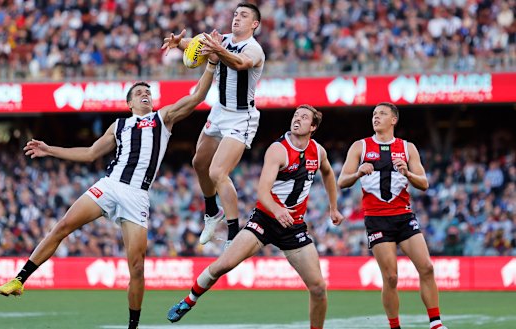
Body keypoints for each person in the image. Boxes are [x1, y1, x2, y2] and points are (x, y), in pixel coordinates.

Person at [0, 61, 217, 329]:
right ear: (130, 103)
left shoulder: (162, 118)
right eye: (139, 92)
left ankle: (132, 326)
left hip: (136, 195)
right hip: (110, 185)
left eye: (148, 91)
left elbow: (197, 97)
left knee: (136, 267)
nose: (145, 93)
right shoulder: (119, 125)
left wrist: (212, 65)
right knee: (63, 226)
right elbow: (90, 153)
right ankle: (19, 280)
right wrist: (50, 149)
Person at [167, 105, 344, 329]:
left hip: (294, 227)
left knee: (318, 288)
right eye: (296, 115)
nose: (297, 119)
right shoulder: (278, 150)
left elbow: (328, 172)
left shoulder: (318, 152)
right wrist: (278, 210)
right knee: (224, 265)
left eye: (304, 117)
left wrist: (333, 207)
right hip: (265, 220)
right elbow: (262, 191)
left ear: (313, 127)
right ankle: (188, 301)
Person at [162, 2, 265, 247]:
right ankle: (212, 212)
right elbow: (194, 46)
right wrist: (180, 43)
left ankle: (233, 235)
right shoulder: (222, 39)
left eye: (244, 15)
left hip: (241, 116)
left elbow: (239, 63)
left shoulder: (254, 49)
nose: (236, 18)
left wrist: (218, 51)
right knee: (199, 162)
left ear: (255, 24)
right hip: (219, 111)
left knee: (218, 172)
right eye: (235, 14)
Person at [337, 102, 447, 329]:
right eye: (374, 114)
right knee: (391, 278)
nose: (376, 117)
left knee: (426, 267)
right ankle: (394, 325)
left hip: (404, 216)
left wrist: (407, 172)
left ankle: (435, 323)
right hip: (377, 219)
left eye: (382, 114)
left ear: (393, 120)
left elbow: (424, 183)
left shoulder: (408, 148)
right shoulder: (360, 146)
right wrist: (358, 172)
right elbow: (342, 181)